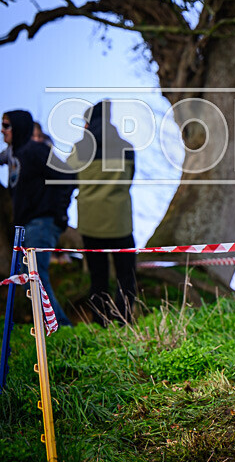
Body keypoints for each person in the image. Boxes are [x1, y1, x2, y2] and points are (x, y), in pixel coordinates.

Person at [2, 110, 74, 326]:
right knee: (28, 277)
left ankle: (60, 325)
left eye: (6, 126)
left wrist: (59, 213)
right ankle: (50, 326)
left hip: (42, 222)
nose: (2, 130)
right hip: (26, 226)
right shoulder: (15, 155)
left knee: (35, 276)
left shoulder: (36, 150)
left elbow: (66, 177)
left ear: (19, 127)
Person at [68, 100, 137, 325]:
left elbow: (70, 178)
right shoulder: (126, 146)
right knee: (126, 276)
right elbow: (130, 179)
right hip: (120, 222)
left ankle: (99, 321)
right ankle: (123, 320)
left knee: (98, 278)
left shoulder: (79, 148)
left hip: (90, 222)